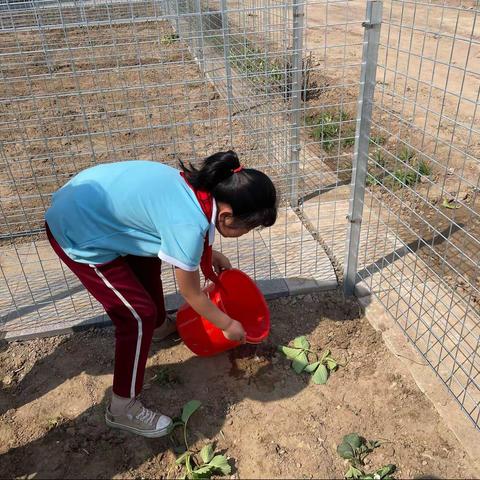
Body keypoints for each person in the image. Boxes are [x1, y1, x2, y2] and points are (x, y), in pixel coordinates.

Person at [44, 150, 277, 438]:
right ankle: (122, 407)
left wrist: (207, 251)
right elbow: (191, 294)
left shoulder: (195, 190)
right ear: (227, 217)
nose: (248, 232)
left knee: (148, 259)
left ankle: (158, 327)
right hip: (77, 230)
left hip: (86, 203)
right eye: (249, 226)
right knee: (136, 316)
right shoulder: (189, 226)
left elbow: (167, 230)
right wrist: (227, 324)